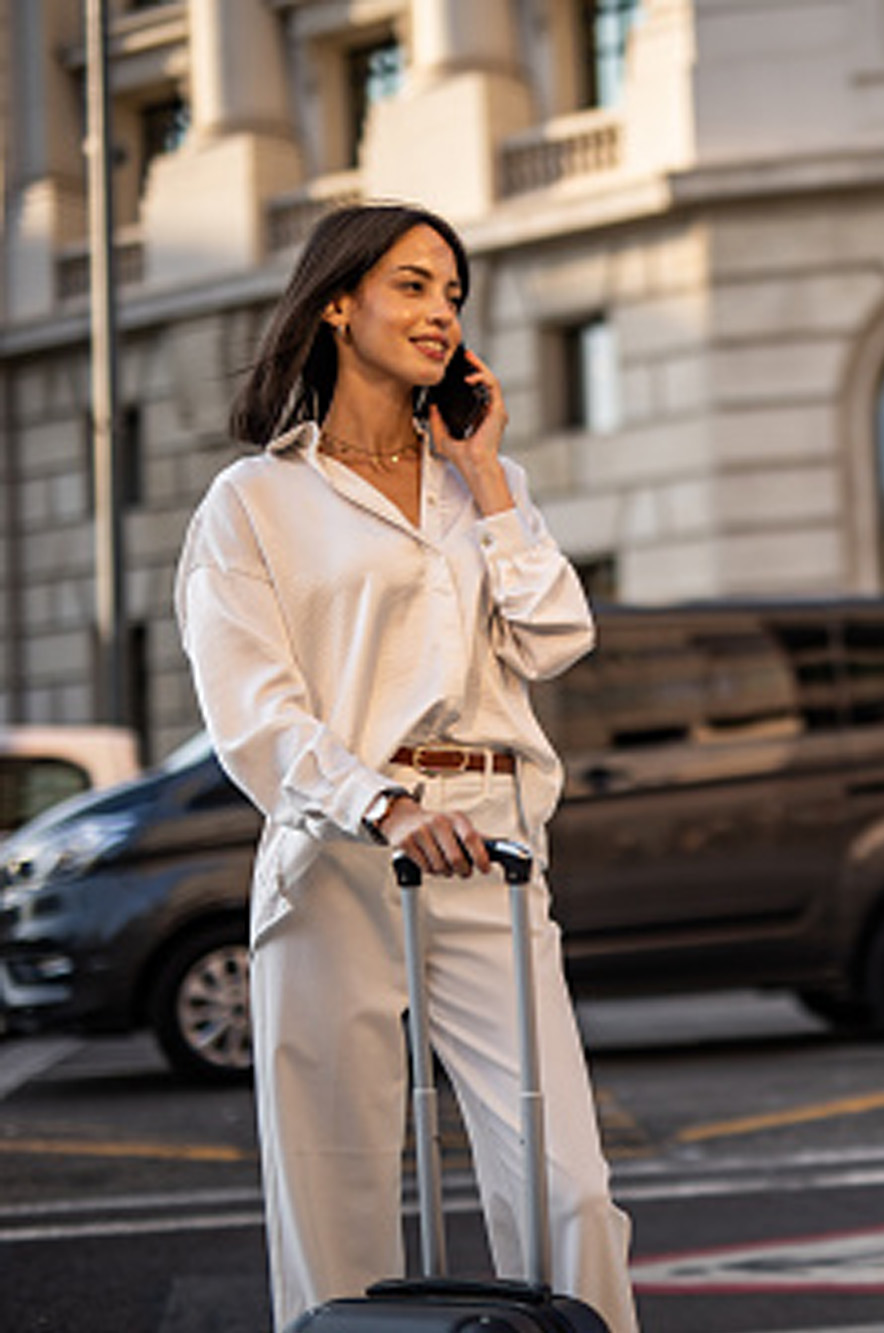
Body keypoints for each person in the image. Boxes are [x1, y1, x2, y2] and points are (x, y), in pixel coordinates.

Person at [174, 203, 639, 1333]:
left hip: (489, 847)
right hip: (336, 854)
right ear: (339, 301)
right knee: (332, 1195)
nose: (442, 313)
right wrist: (377, 801)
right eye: (415, 286)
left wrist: (486, 478)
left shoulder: (478, 479)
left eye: (454, 296)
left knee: (567, 1187)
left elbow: (554, 638)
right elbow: (252, 711)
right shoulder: (255, 504)